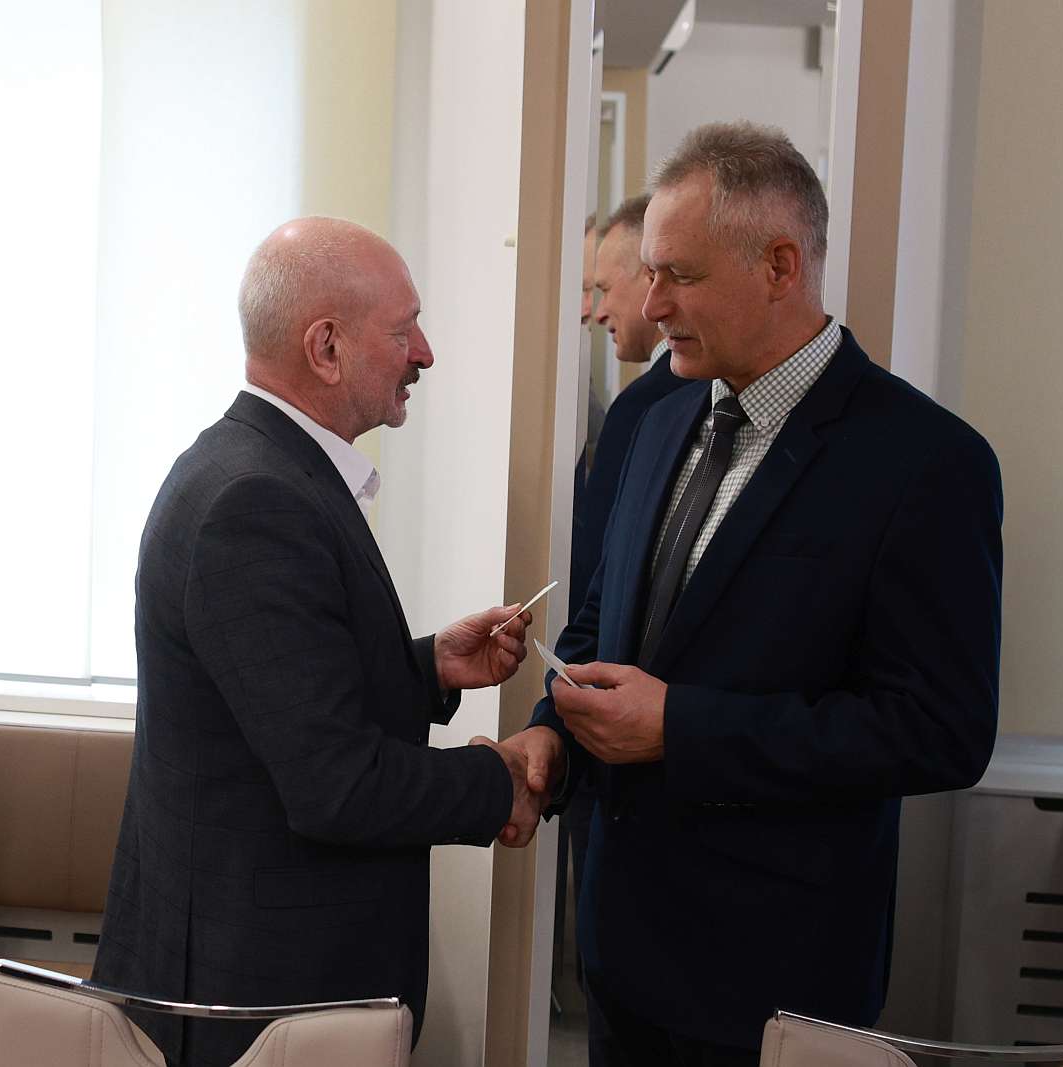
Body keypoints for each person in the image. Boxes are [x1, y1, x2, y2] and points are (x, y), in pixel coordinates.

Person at [501, 122, 1003, 1064]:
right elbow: (604, 623)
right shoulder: (656, 421)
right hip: (620, 955)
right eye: (649, 273)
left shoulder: (926, 462)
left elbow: (941, 729)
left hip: (776, 977)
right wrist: (551, 735)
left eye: (679, 276)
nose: (652, 304)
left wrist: (681, 727)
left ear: (780, 266)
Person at [93, 216, 540, 1067]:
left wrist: (426, 666)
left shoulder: (251, 466)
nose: (425, 354)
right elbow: (335, 783)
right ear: (326, 347)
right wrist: (499, 780)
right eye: (404, 330)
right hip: (259, 995)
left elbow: (276, 695)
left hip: (259, 973)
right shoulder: (256, 501)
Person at [568, 192, 690, 616]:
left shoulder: (645, 407)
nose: (596, 312)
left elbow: (599, 570)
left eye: (600, 289)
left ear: (651, 277)